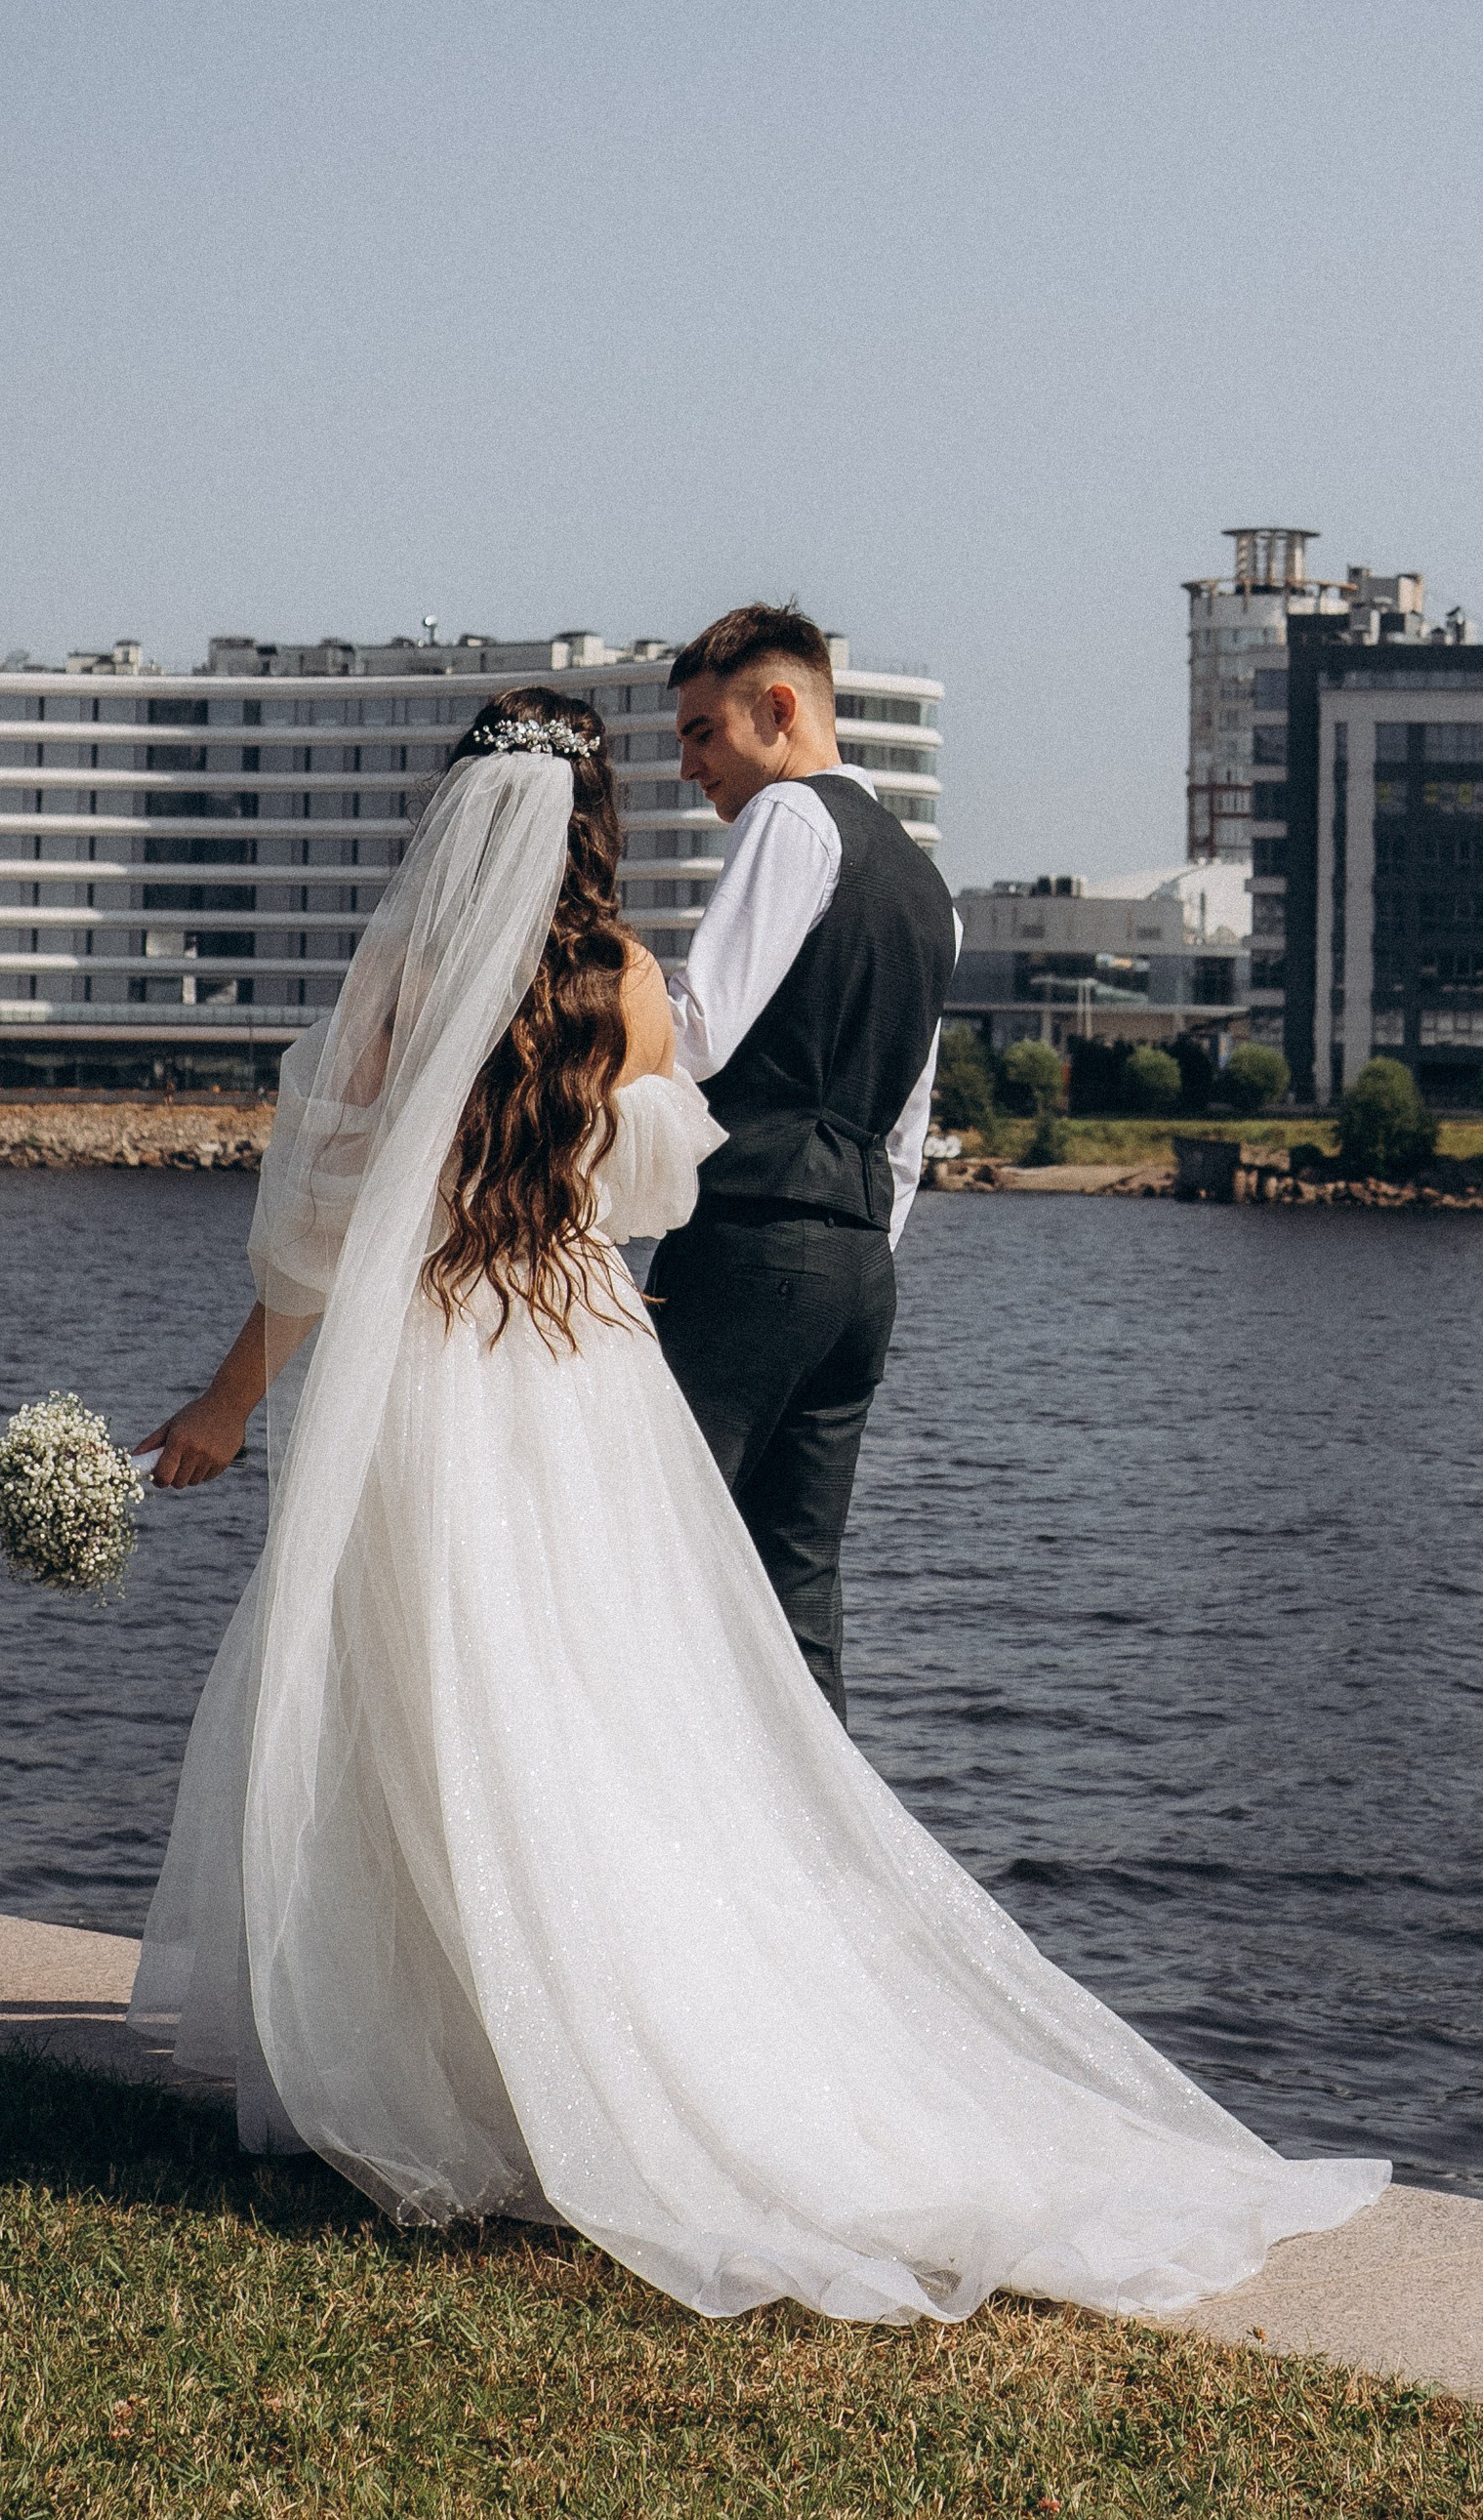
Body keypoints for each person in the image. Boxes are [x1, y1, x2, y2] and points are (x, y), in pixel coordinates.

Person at [130, 688, 1384, 2321]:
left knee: (426, 1693)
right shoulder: (633, 989)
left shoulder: (406, 979)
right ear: (595, 824)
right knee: (602, 1713)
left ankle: (455, 2059)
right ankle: (595, 2042)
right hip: (584, 1366)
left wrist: (230, 1401)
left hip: (434, 1366)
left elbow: (314, 1238)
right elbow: (645, 1195)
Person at [655, 602, 959, 1720]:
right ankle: (820, 1832)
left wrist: (592, 1000)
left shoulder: (790, 815)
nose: (688, 765)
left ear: (778, 709)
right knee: (797, 1601)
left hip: (754, 1242)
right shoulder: (929, 892)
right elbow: (907, 1135)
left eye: (702, 732)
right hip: (857, 1275)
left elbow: (695, 1032)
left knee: (656, 1547)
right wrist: (851, 1249)